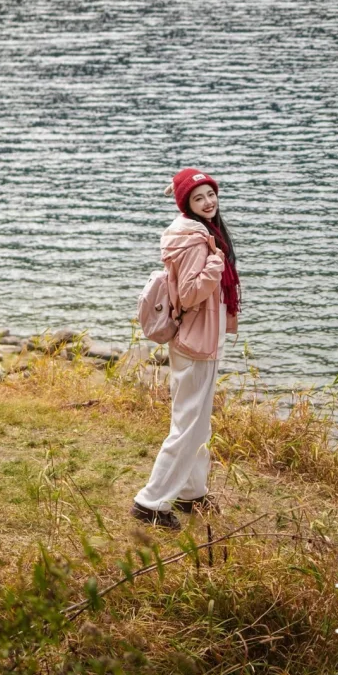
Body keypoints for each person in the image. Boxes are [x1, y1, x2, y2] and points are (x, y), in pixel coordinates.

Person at [131, 167, 241, 530]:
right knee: (188, 424)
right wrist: (215, 262)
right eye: (199, 198)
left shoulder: (195, 231)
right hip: (196, 339)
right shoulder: (197, 241)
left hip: (198, 337)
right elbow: (192, 293)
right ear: (187, 205)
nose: (208, 202)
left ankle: (192, 492)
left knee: (196, 421)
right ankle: (150, 502)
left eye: (211, 194)